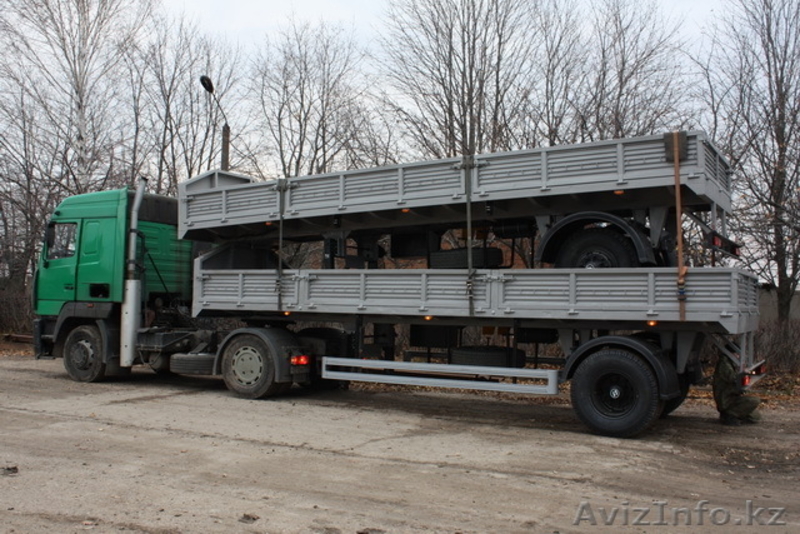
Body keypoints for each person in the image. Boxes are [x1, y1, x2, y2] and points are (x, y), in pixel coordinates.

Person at [713, 354, 760, 425]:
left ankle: (730, 414)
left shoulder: (729, 363)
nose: (738, 356)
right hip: (725, 399)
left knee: (755, 416)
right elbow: (733, 379)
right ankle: (729, 415)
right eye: (736, 354)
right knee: (754, 401)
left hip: (730, 396)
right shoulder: (724, 364)